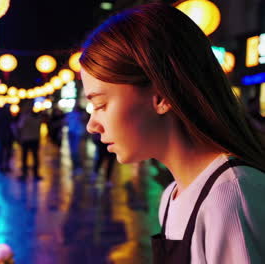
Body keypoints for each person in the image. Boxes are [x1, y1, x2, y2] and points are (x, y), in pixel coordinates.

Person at [80, 3, 265, 264]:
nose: (92, 125)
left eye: (100, 105)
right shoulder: (172, 196)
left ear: (161, 96)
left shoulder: (230, 196)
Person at [17, 101, 42, 181]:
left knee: (26, 157)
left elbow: (19, 126)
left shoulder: (25, 117)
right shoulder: (37, 116)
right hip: (34, 139)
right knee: (34, 156)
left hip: (27, 139)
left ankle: (25, 174)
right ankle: (35, 174)